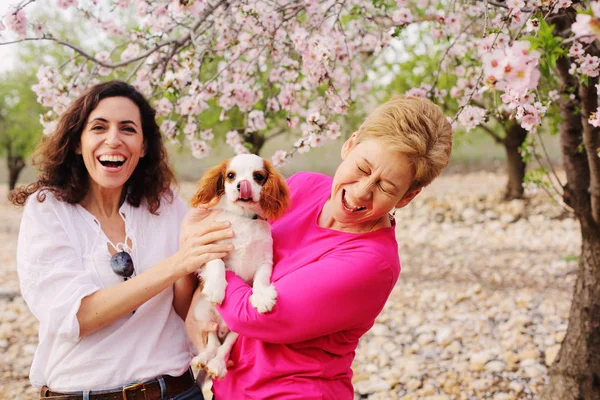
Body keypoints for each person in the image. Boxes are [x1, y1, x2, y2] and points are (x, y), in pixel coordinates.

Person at [185, 95, 454, 399]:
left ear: (406, 197)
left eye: (386, 187)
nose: (361, 192)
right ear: (349, 145)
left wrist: (213, 259)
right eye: (363, 168)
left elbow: (251, 315)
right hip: (229, 389)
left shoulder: (371, 263)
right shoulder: (303, 187)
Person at [10, 80, 233, 400]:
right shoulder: (49, 209)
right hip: (81, 393)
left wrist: (198, 257)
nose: (113, 140)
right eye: (99, 127)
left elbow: (185, 309)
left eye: (128, 129)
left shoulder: (165, 204)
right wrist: (177, 263)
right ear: (77, 142)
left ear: (143, 147)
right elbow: (77, 317)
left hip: (175, 391)